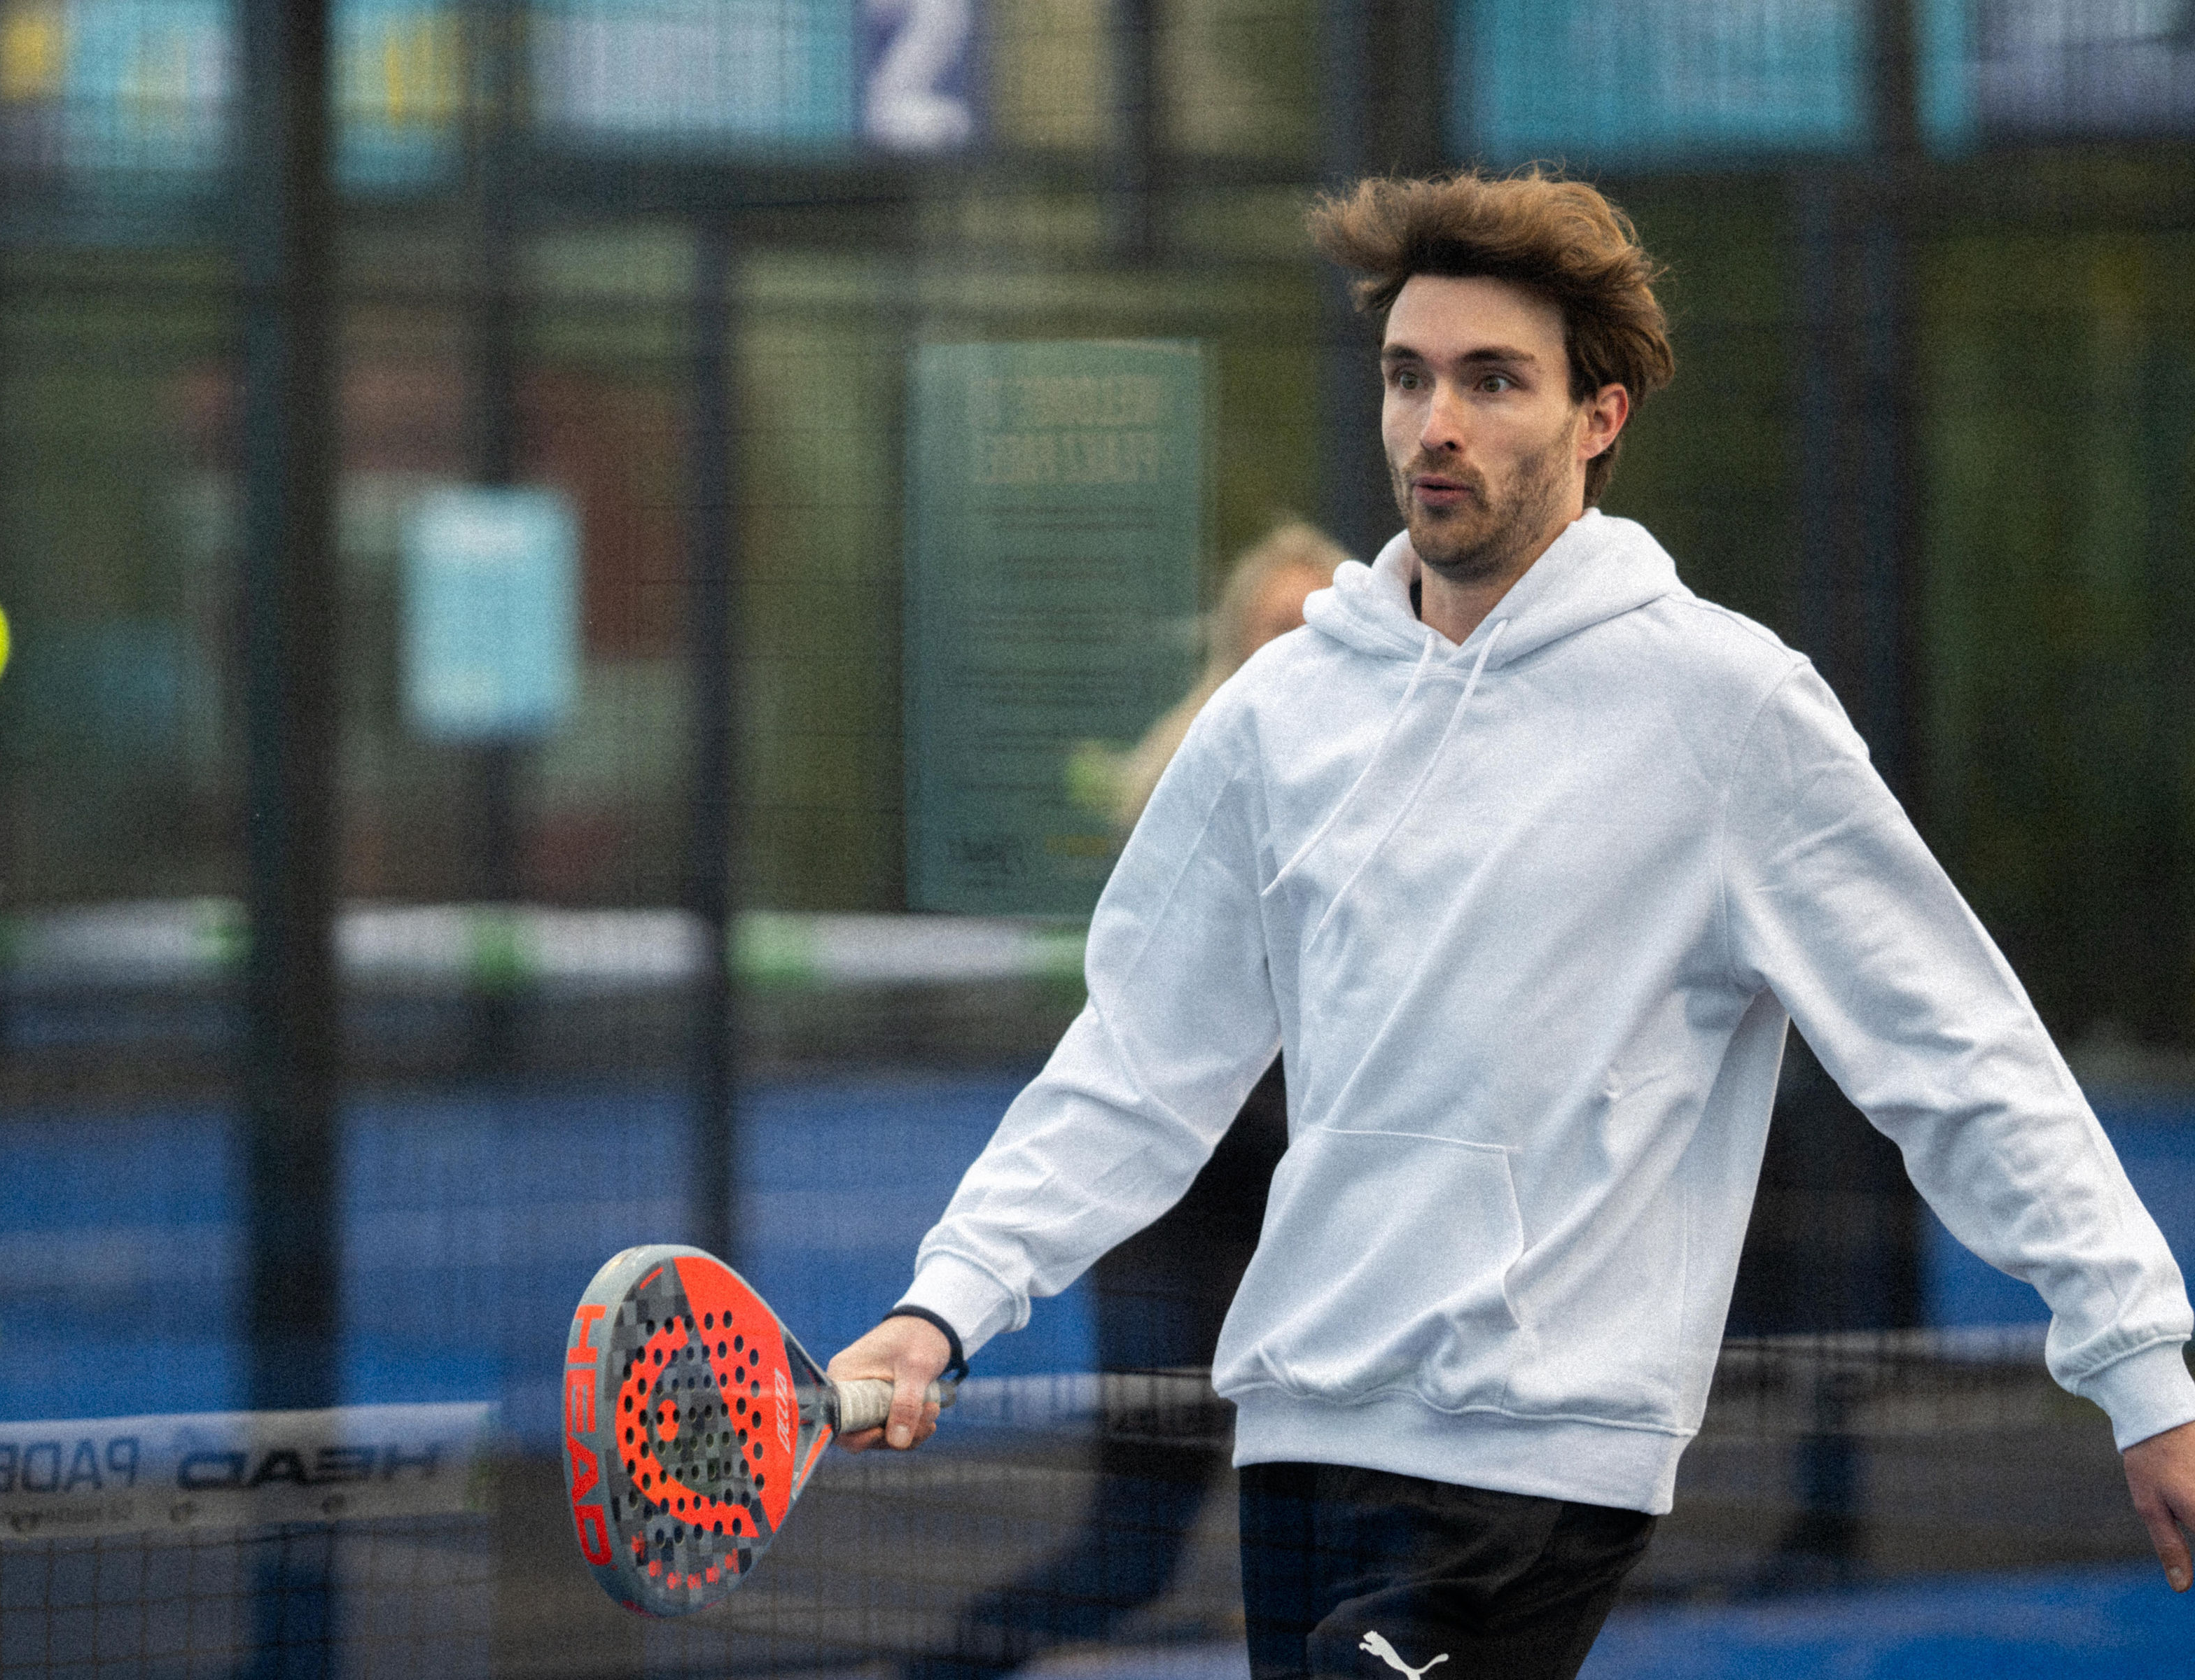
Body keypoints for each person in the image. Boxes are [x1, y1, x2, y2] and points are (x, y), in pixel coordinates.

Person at [833, 168, 2195, 1679]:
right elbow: (1142, 1063)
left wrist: (2143, 1366)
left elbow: (1958, 1049)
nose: (1439, 424)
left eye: (1495, 381)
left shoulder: (1729, 710)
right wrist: (939, 1309)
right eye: (1411, 377)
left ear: (1598, 416)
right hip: (1301, 1430)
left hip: (1539, 1457)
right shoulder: (1278, 715)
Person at [914, 524, 1345, 1680]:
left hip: (1316, 1260)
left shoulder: (1385, 809)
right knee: (1130, 1555)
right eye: (1271, 632)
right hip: (1179, 1246)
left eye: (1319, 630)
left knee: (1349, 1567)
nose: (1295, 656)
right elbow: (1157, 1067)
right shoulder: (1188, 795)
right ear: (1230, 649)